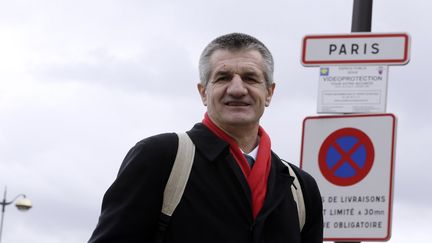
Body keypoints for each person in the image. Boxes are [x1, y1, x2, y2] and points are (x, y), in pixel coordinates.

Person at [88, 33, 323, 243]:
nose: (237, 89)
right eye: (223, 77)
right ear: (203, 92)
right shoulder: (160, 158)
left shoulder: (301, 188)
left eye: (250, 78)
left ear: (269, 93)